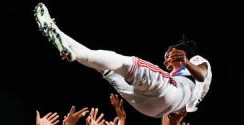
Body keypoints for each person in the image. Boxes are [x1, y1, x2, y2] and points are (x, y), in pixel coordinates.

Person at [34, 3, 212, 118]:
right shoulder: (189, 91)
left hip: (168, 93)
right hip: (153, 110)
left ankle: (66, 44)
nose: (166, 58)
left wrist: (187, 62)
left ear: (180, 52)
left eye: (169, 54)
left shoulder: (195, 62)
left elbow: (202, 75)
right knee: (103, 67)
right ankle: (56, 32)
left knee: (126, 62)